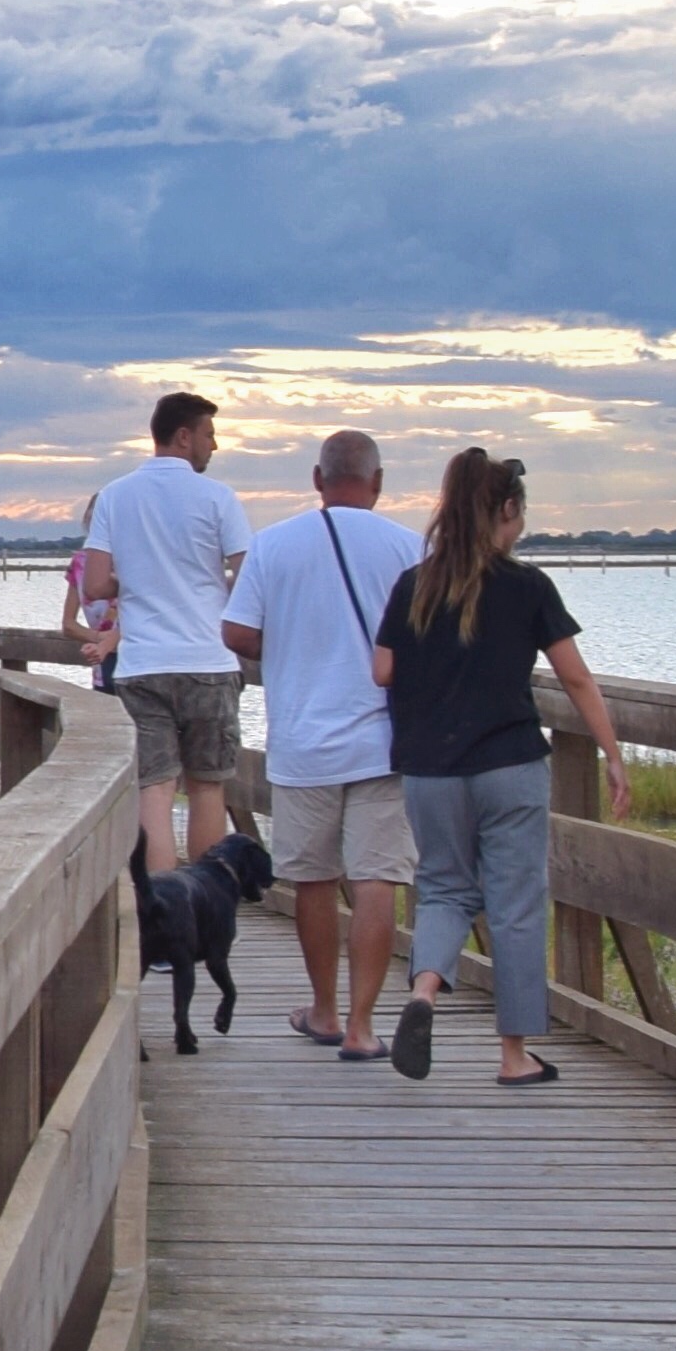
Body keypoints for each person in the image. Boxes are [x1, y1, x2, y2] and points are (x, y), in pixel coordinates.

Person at [375, 444, 620, 1088]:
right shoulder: (528, 587)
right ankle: (514, 1057)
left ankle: (424, 994)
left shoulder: (414, 586)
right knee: (514, 904)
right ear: (506, 509)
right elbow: (575, 679)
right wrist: (613, 754)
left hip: (431, 770)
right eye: (521, 513)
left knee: (444, 889)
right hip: (509, 764)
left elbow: (382, 669)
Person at [222, 430, 421, 1057]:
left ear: (317, 478)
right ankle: (364, 1028)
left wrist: (288, 642)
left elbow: (237, 632)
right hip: (385, 742)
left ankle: (325, 1011)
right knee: (376, 880)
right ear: (378, 481)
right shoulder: (411, 548)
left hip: (304, 739)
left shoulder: (274, 545)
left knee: (312, 879)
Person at [67, 390, 249, 873]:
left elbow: (95, 584)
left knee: (155, 792)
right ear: (183, 436)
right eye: (209, 434)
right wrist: (204, 582)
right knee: (208, 787)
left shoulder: (115, 496)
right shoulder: (218, 498)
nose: (215, 444)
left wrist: (141, 578)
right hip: (208, 661)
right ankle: (208, 906)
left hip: (144, 664)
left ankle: (163, 920)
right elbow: (248, 576)